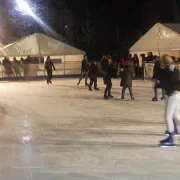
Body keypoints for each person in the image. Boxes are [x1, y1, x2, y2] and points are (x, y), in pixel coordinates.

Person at [159, 54, 180, 147]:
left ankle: (171, 138)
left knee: (168, 116)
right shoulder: (175, 69)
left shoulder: (166, 71)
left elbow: (164, 83)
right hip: (177, 94)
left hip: (173, 95)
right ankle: (171, 136)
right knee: (176, 116)